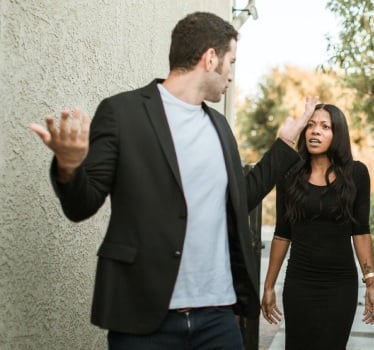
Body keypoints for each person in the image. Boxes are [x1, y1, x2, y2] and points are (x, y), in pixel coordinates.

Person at [28, 11, 318, 349]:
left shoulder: (220, 127)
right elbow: (81, 205)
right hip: (143, 318)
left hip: (217, 317)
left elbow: (239, 202)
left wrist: (283, 145)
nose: (231, 76)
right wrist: (69, 164)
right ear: (211, 58)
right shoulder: (122, 113)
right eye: (231, 62)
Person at [261, 104, 374, 349]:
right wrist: (269, 285)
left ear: (338, 135)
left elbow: (361, 233)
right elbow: (282, 234)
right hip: (299, 284)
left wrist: (371, 282)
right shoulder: (289, 174)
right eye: (311, 125)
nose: (315, 132)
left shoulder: (356, 174)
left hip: (340, 287)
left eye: (325, 127)